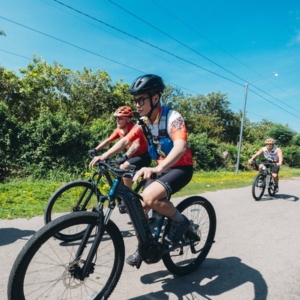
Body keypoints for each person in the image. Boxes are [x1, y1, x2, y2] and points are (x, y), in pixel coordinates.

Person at [97, 74, 194, 267]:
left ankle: (181, 222)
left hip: (180, 167)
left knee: (150, 198)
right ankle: (145, 246)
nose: (137, 105)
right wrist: (104, 156)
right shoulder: (143, 122)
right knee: (139, 207)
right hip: (161, 168)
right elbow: (125, 140)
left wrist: (158, 167)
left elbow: (181, 146)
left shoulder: (173, 117)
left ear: (155, 98)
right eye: (135, 100)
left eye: (141, 99)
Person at [88, 106, 151, 189]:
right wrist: (95, 149)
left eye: (120, 118)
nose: (117, 120)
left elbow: (136, 145)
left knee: (123, 167)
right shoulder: (119, 130)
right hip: (132, 157)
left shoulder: (135, 128)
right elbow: (108, 140)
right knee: (120, 181)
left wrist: (124, 157)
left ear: (128, 119)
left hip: (143, 157)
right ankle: (124, 197)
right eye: (116, 118)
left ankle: (130, 197)